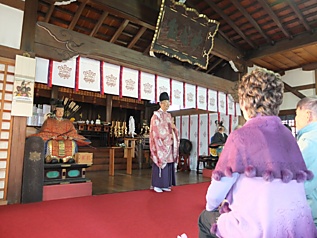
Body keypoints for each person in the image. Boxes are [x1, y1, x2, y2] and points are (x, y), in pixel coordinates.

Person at [198, 68, 316, 237]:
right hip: (297, 226)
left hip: (260, 228)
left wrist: (211, 206)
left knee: (205, 218)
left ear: (245, 103)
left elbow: (215, 195)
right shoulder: (289, 136)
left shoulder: (241, 136)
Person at [149, 92, 180, 193]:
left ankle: (166, 184)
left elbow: (172, 127)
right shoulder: (156, 116)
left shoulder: (168, 115)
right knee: (160, 161)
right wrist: (167, 134)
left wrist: (174, 130)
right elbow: (156, 130)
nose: (167, 105)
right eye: (165, 103)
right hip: (160, 144)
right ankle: (157, 184)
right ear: (160, 103)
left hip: (168, 143)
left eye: (168, 103)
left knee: (169, 162)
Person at [295, 96, 317, 228]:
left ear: (308, 115)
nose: (296, 119)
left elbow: (300, 183)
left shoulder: (308, 141)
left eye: (297, 114)